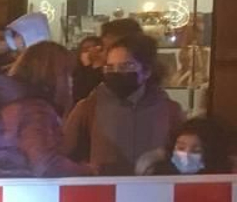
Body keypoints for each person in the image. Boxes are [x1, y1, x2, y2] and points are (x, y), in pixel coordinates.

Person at [63, 31, 182, 175]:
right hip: (105, 192)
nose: (116, 73)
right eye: (110, 67)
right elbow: (65, 155)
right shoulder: (88, 108)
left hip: (154, 191)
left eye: (126, 66)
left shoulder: (169, 110)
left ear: (146, 71)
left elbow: (182, 156)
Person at [0, 41, 92, 177]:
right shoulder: (35, 110)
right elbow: (46, 164)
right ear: (55, 74)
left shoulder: (13, 103)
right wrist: (87, 170)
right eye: (68, 73)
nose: (71, 81)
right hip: (31, 191)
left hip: (10, 187)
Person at [142, 116, 233, 175]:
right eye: (181, 148)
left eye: (196, 151)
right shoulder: (158, 176)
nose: (186, 154)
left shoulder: (226, 181)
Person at [72, 34, 104, 104]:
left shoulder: (104, 69)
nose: (90, 52)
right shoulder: (77, 71)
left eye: (93, 48)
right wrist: (87, 66)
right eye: (86, 49)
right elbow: (81, 94)